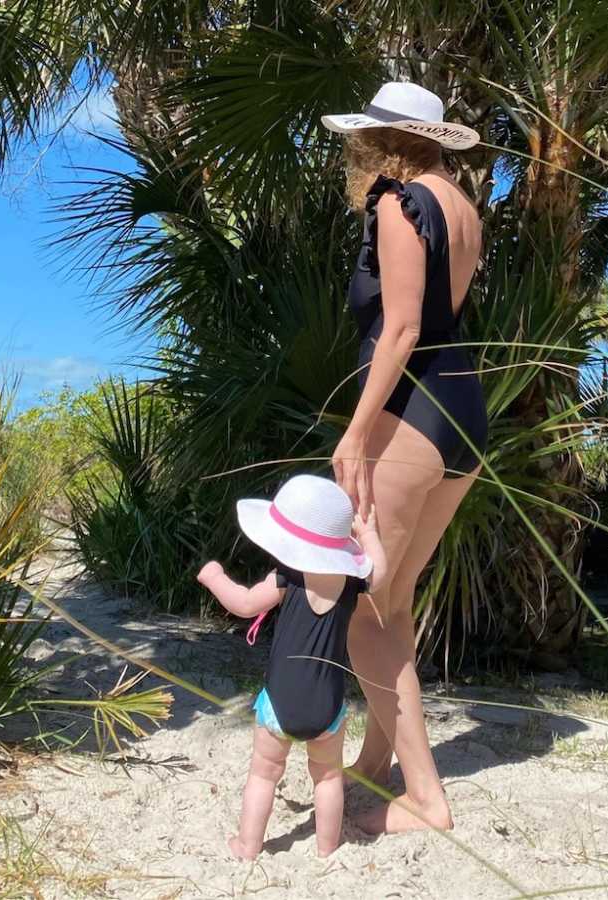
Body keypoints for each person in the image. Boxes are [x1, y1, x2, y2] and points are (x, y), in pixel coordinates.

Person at [322, 82, 488, 834]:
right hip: (465, 416)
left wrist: (357, 433)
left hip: (412, 415)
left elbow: (402, 328)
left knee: (363, 606)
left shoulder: (396, 201)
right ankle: (378, 764)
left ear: (378, 143)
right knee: (397, 598)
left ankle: (426, 799)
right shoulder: (461, 207)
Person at [197, 474, 387, 858]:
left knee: (264, 773)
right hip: (329, 705)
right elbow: (379, 576)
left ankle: (248, 845)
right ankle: (327, 847)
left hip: (279, 703)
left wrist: (214, 577)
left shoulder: (287, 576)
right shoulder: (353, 583)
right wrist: (368, 537)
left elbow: (245, 603)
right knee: (328, 777)